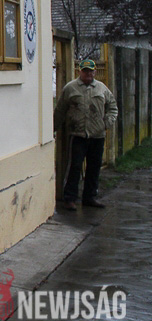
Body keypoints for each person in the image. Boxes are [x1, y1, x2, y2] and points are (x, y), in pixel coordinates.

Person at [54, 59, 119, 211]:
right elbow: (60, 110)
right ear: (80, 71)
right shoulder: (70, 88)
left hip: (97, 135)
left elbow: (112, 107)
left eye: (90, 71)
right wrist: (53, 128)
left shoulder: (102, 88)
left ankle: (90, 197)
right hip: (78, 135)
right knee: (75, 167)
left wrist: (106, 123)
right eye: (85, 71)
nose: (88, 74)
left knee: (94, 167)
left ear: (95, 72)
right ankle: (70, 198)